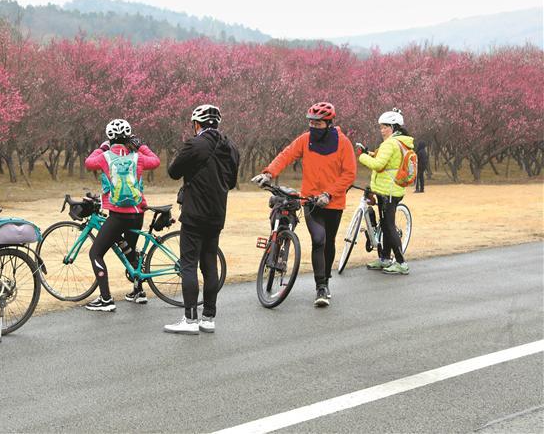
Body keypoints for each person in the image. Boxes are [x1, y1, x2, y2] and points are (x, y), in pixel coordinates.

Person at [251, 102, 356, 307]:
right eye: (311, 123)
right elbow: (286, 154)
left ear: (328, 123)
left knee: (329, 242)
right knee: (318, 240)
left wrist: (329, 193)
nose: (313, 127)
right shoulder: (306, 139)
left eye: (318, 124)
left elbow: (349, 174)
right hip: (310, 200)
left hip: (333, 202)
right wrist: (268, 173)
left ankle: (326, 277)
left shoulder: (343, 143)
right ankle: (321, 287)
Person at [164, 104, 240, 335]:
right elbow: (231, 181)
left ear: (197, 124)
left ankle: (189, 319)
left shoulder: (194, 144)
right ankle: (208, 317)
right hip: (217, 214)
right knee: (209, 263)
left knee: (188, 264)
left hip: (194, 212)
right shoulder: (231, 148)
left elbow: (173, 172)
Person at [83, 119, 161, 311]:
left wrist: (101, 148)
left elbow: (88, 163)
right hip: (137, 212)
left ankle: (106, 299)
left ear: (109, 139)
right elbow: (156, 161)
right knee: (130, 252)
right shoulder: (138, 157)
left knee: (95, 253)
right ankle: (138, 291)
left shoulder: (105, 156)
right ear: (129, 138)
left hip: (118, 215)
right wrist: (141, 146)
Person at [355, 108, 414, 275]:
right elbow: (386, 160)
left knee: (388, 227)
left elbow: (378, 165)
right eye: (380, 127)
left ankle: (401, 262)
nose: (381, 130)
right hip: (391, 189)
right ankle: (385, 259)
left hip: (388, 191)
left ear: (393, 127)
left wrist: (361, 156)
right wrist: (369, 153)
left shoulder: (390, 143)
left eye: (384, 127)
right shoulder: (401, 141)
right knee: (386, 224)